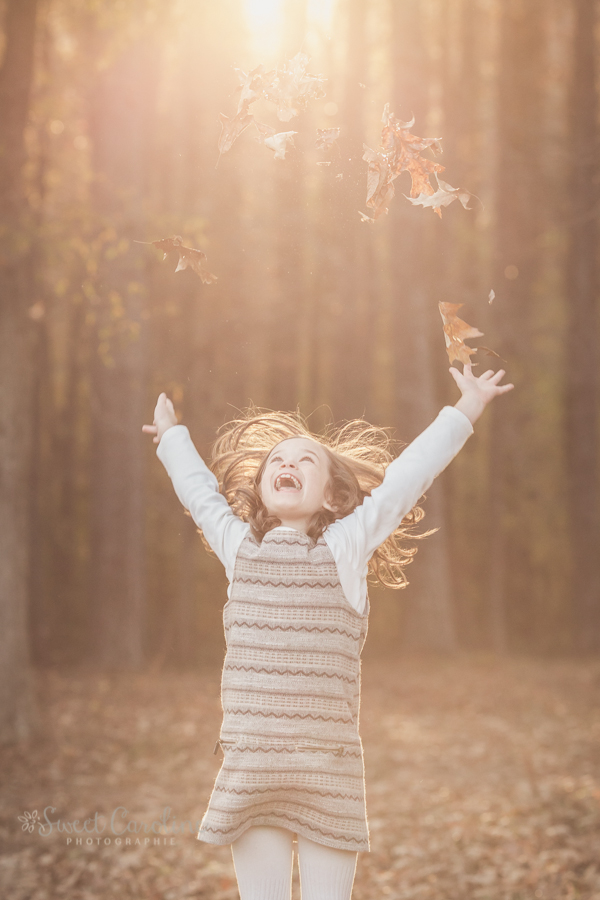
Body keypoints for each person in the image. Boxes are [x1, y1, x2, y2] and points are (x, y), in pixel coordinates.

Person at [142, 362, 513, 900]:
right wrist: (174, 438)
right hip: (254, 775)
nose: (287, 463)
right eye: (277, 460)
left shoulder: (344, 548)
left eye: (304, 460)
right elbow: (200, 495)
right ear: (263, 487)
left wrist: (467, 408)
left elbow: (408, 477)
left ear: (333, 497)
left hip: (327, 778)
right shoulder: (240, 549)